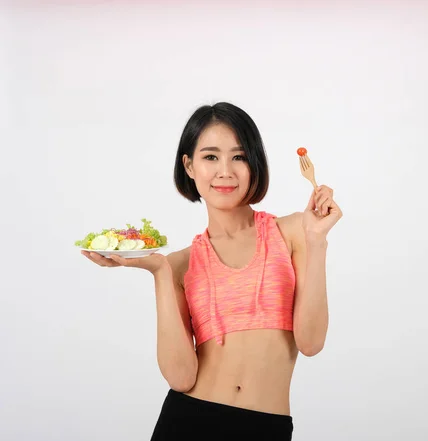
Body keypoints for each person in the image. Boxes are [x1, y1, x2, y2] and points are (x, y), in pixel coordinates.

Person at [81, 102, 343, 440]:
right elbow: (181, 378)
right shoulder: (178, 264)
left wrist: (317, 241)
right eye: (210, 157)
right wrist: (160, 272)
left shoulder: (293, 232)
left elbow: (311, 342)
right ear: (189, 165)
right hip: (188, 421)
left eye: (239, 157)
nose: (225, 171)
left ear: (255, 163)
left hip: (266, 428)